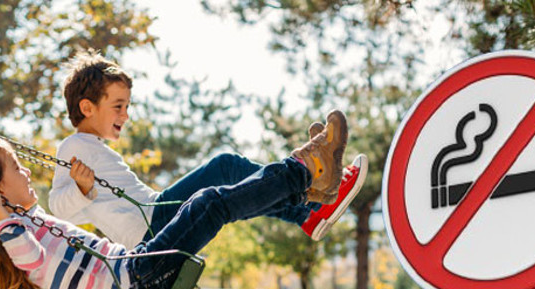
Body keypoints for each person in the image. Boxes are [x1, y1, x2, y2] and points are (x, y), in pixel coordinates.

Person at [0, 115, 355, 289]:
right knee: (208, 203)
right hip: (133, 285)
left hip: (134, 273)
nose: (25, 172)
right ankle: (303, 172)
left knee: (210, 200)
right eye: (14, 167)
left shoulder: (22, 220)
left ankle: (307, 190)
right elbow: (31, 256)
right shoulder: (12, 234)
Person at [48, 50, 367, 246]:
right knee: (226, 167)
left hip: (153, 217)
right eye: (117, 106)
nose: (125, 115)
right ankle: (313, 194)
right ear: (87, 108)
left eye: (127, 106)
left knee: (233, 186)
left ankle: (309, 212)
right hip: (151, 225)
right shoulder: (74, 146)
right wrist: (80, 188)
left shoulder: (90, 146)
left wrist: (83, 189)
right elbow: (58, 210)